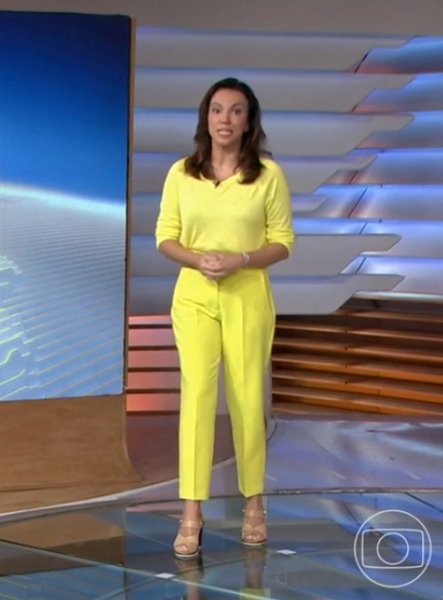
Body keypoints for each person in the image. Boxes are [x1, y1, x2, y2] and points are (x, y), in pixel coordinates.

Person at [155, 77, 294, 559]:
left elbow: (283, 241)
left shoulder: (268, 175)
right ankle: (191, 512)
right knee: (196, 396)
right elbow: (165, 236)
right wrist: (199, 260)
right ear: (206, 118)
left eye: (236, 111)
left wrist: (241, 259)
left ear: (249, 121)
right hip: (194, 296)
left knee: (246, 398)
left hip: (247, 295)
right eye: (217, 110)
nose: (225, 119)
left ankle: (254, 503)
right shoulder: (181, 173)